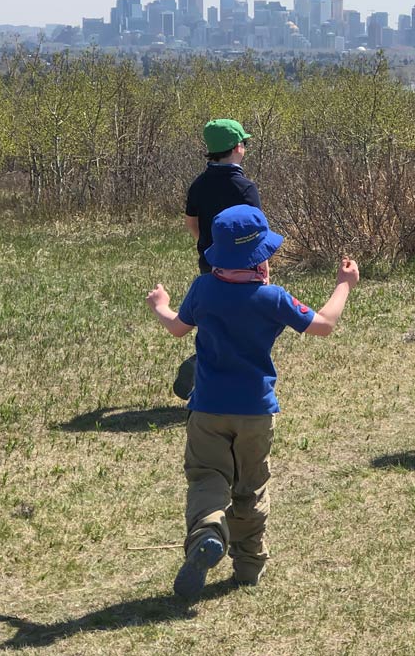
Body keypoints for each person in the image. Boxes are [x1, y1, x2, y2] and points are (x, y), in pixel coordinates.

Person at [146, 204, 360, 599]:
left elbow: (178, 328)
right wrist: (344, 283)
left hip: (207, 409)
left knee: (207, 477)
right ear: (261, 260)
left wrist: (160, 305)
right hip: (256, 413)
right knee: (249, 488)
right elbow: (324, 325)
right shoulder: (272, 298)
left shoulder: (203, 289)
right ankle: (248, 565)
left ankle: (208, 531)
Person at [171, 118, 261, 400]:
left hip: (209, 261)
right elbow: (256, 230)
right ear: (237, 148)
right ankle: (204, 365)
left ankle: (203, 363)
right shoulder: (244, 188)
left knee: (215, 320)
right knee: (243, 326)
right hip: (244, 266)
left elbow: (192, 222)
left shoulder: (199, 184)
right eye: (244, 143)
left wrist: (208, 247)